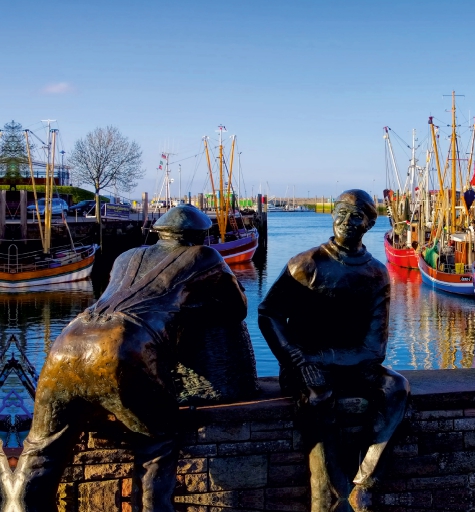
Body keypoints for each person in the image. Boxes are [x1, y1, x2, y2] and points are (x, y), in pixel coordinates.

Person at [11, 205, 256, 512]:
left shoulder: (126, 256)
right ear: (200, 236)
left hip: (68, 340)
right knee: (157, 442)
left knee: (40, 449)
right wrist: (189, 311)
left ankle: (18, 504)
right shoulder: (205, 256)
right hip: (123, 347)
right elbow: (238, 309)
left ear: (160, 233)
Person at [258, 189, 409, 512]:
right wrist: (296, 359)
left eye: (357, 215)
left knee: (396, 388)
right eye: (341, 211)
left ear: (370, 223)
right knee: (319, 397)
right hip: (305, 367)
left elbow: (374, 347)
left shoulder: (376, 274)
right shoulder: (306, 264)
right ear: (331, 214)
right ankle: (330, 490)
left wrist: (323, 358)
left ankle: (365, 481)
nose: (347, 221)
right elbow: (268, 313)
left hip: (352, 364)